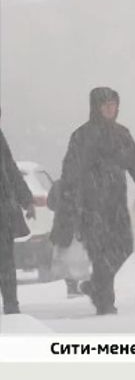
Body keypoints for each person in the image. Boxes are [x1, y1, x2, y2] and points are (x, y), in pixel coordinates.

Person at [60, 87, 135, 315]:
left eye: (113, 104)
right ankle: (105, 302)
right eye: (105, 105)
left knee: (123, 246)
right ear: (96, 107)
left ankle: (96, 287)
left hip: (115, 205)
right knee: (99, 253)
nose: (110, 109)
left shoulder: (122, 135)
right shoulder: (81, 136)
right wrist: (72, 204)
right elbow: (70, 173)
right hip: (90, 206)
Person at [0, 108, 36, 315]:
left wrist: (26, 200)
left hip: (3, 211)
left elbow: (10, 169)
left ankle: (12, 307)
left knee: (6, 261)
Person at [47, 178, 88, 298]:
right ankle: (73, 286)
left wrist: (61, 208)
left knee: (66, 258)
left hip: (62, 226)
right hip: (76, 227)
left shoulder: (58, 185)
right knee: (75, 258)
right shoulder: (83, 184)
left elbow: (50, 204)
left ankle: (71, 286)